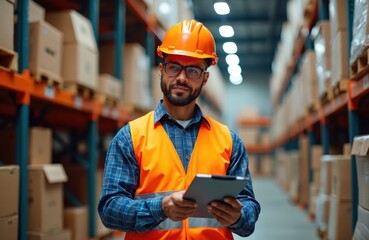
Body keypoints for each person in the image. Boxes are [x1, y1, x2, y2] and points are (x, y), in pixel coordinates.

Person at [98, 19, 260, 240]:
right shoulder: (131, 138)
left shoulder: (229, 141)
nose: (182, 78)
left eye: (193, 70)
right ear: (162, 70)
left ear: (205, 78)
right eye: (174, 67)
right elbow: (109, 210)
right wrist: (160, 208)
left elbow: (249, 211)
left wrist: (238, 217)